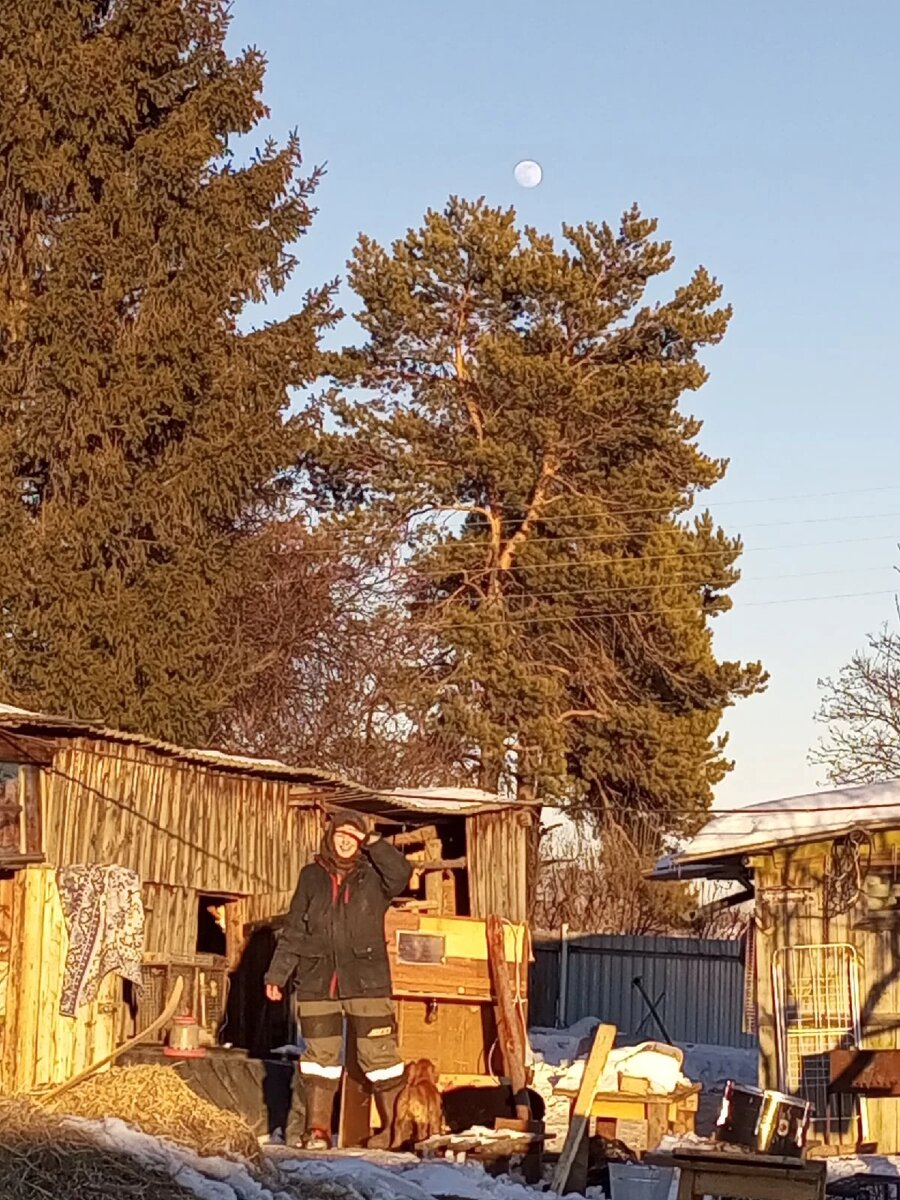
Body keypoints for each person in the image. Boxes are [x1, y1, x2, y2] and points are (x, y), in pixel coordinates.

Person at [265, 809, 412, 1149]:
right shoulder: (311, 876)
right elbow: (295, 928)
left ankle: (396, 1131)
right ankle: (317, 1130)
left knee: (380, 1057)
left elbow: (402, 872)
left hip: (367, 980)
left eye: (353, 836)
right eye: (340, 835)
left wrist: (373, 842)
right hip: (317, 980)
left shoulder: (374, 877)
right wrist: (277, 973)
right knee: (320, 1058)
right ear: (330, 837)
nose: (346, 841)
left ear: (361, 841)